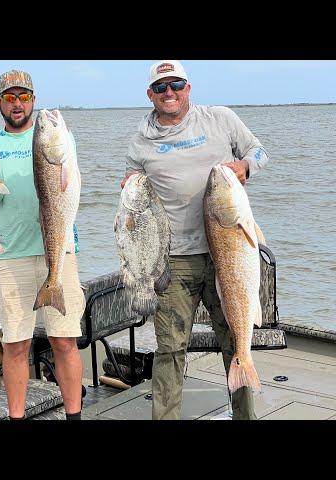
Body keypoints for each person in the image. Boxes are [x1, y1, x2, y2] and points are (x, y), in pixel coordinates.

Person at [121, 60, 270, 420]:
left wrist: (244, 168)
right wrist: (128, 191)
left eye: (176, 85)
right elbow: (134, 196)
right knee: (170, 350)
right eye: (161, 87)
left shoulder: (220, 118)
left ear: (188, 88)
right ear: (150, 94)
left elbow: (260, 153)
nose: (169, 92)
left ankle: (246, 416)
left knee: (236, 341)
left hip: (228, 257)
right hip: (172, 261)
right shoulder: (141, 141)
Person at [0, 70, 85, 420]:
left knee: (65, 340)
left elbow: (69, 187)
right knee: (15, 345)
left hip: (58, 252)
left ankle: (75, 416)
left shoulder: (58, 141)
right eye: (9, 98)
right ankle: (16, 416)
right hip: (10, 256)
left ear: (33, 100)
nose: (17, 104)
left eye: (24, 97)